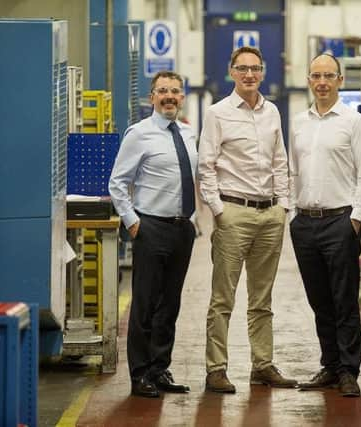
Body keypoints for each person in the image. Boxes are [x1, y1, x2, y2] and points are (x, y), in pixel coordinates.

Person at [197, 46, 297, 393]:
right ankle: (216, 369)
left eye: (255, 68)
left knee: (262, 299)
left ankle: (263, 365)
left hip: (270, 214)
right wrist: (219, 210)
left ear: (263, 71)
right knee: (223, 298)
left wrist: (283, 206)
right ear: (231, 72)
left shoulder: (272, 113)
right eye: (243, 69)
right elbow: (205, 165)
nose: (250, 75)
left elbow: (280, 162)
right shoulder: (217, 114)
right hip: (233, 213)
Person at [288, 54, 361, 397]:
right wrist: (290, 211)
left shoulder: (354, 122)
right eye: (315, 76)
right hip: (305, 223)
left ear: (340, 80)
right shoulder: (297, 122)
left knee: (344, 299)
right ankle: (330, 365)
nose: (321, 82)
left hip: (340, 221)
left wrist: (355, 219)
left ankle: (349, 371)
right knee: (319, 300)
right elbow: (292, 171)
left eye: (328, 76)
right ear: (309, 80)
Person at [109, 70, 197, 398]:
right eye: (163, 91)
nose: (169, 96)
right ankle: (140, 374)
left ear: (182, 97)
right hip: (151, 227)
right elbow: (117, 182)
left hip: (182, 229)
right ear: (152, 97)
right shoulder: (139, 134)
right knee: (145, 304)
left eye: (175, 91)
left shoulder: (188, 134)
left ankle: (160, 369)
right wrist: (133, 222)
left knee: (169, 305)